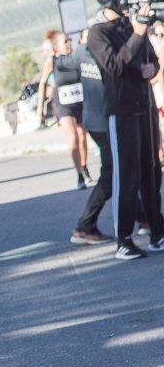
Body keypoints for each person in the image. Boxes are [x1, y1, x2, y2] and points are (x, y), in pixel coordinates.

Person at [90, 0, 164, 259]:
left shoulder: (131, 26)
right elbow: (115, 66)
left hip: (145, 107)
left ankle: (157, 231)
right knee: (127, 175)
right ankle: (124, 239)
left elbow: (152, 61)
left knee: (152, 172)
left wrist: (151, 69)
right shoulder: (98, 33)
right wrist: (138, 33)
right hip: (121, 112)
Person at [71, 25, 115, 245]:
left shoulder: (81, 52)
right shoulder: (88, 53)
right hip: (101, 122)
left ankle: (145, 218)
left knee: (118, 172)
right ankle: (84, 225)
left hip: (97, 120)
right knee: (112, 174)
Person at [38, 29, 93, 190]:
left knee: (82, 136)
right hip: (62, 104)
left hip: (79, 101)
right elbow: (42, 83)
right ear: (56, 47)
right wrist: (40, 108)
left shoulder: (76, 58)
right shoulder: (52, 62)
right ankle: (79, 175)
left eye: (69, 40)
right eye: (65, 41)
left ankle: (84, 166)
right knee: (73, 137)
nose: (69, 43)